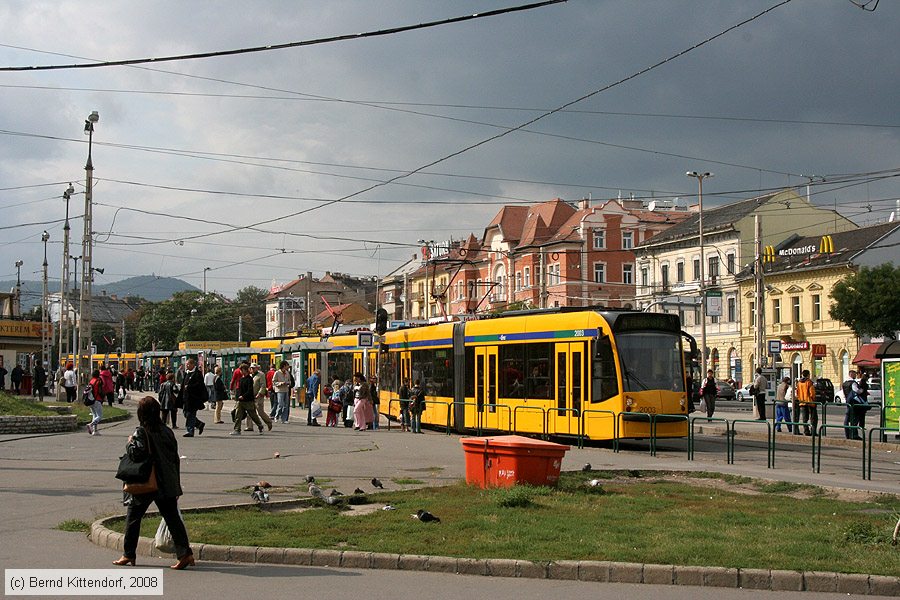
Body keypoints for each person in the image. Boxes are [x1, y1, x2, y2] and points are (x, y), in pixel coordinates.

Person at [113, 396, 194, 570]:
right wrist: (176, 484)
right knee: (173, 519)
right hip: (167, 481)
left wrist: (129, 443)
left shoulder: (141, 432)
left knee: (133, 516)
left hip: (148, 482)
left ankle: (128, 554)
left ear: (141, 414)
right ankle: (185, 554)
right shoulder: (167, 431)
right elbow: (174, 459)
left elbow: (137, 455)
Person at [175, 358, 206, 438]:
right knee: (186, 414)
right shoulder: (187, 373)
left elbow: (200, 385)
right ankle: (199, 424)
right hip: (186, 398)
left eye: (188, 364)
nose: (186, 366)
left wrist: (189, 387)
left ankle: (190, 431)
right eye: (186, 364)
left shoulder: (197, 374)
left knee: (190, 414)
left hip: (193, 399)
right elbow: (183, 386)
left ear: (192, 364)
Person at [231, 363, 265, 435]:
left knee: (253, 415)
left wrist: (244, 396)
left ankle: (260, 425)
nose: (240, 371)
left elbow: (250, 390)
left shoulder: (249, 379)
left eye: (241, 370)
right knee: (238, 415)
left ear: (245, 370)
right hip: (241, 401)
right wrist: (238, 396)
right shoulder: (241, 379)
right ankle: (237, 429)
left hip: (248, 400)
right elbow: (239, 389)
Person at [245, 363, 273, 432]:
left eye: (254, 368)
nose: (252, 369)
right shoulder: (250, 375)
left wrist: (260, 393)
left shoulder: (261, 375)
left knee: (260, 411)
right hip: (251, 396)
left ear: (257, 368)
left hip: (258, 396)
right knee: (249, 411)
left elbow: (263, 385)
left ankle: (269, 422)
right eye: (251, 368)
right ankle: (249, 426)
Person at [847, 372, 872, 440]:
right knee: (855, 420)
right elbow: (858, 392)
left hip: (855, 403)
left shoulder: (858, 383)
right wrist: (862, 391)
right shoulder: (857, 384)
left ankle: (853, 434)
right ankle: (854, 435)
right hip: (857, 404)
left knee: (853, 420)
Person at [795, 369, 817, 436]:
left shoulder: (799, 383)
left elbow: (797, 392)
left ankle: (806, 431)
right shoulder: (809, 382)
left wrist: (800, 399)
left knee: (805, 418)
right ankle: (813, 431)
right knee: (813, 418)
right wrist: (814, 399)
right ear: (808, 375)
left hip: (802, 402)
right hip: (810, 402)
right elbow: (812, 393)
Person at [87, 369, 103, 435]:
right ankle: (90, 425)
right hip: (97, 399)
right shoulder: (98, 381)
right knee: (99, 416)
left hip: (91, 400)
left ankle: (95, 431)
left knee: (94, 415)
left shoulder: (91, 381)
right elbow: (100, 391)